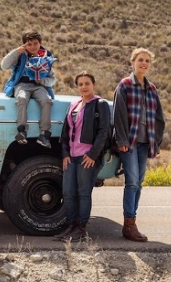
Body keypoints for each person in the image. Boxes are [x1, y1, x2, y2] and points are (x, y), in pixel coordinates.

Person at [113, 48, 165, 242]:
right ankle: (129, 225)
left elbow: (159, 118)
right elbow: (118, 114)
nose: (144, 63)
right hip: (130, 142)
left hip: (146, 142)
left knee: (139, 183)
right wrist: (122, 140)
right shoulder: (125, 85)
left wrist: (156, 143)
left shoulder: (152, 88)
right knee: (132, 181)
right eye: (140, 60)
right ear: (132, 62)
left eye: (147, 61)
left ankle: (130, 221)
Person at [57, 71, 111, 241]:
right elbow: (65, 131)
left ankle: (81, 228)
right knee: (68, 192)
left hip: (87, 157)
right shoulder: (74, 105)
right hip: (71, 156)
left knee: (83, 192)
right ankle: (71, 226)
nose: (84, 87)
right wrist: (65, 153)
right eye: (80, 84)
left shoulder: (99, 104)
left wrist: (93, 154)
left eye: (87, 83)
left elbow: (104, 131)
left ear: (93, 85)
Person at [1, 30, 56, 148]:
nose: (32, 47)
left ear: (40, 43)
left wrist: (42, 81)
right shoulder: (20, 56)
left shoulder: (45, 58)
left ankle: (44, 134)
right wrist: (16, 52)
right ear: (24, 45)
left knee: (47, 100)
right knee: (22, 98)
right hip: (22, 85)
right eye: (29, 44)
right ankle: (22, 131)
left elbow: (52, 79)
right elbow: (4, 66)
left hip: (39, 86)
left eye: (35, 43)